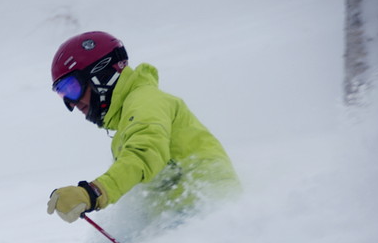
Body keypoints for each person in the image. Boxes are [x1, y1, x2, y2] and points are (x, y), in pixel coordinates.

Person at [46, 31, 241, 224]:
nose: (71, 104)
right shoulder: (125, 127)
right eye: (62, 94)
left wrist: (93, 193)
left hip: (209, 214)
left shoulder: (146, 101)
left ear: (102, 74)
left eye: (71, 88)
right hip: (183, 220)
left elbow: (144, 153)